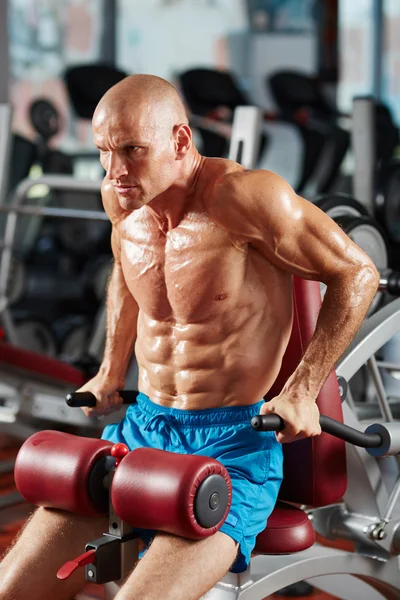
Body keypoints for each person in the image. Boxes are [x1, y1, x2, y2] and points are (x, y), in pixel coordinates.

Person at [0, 74, 379, 600]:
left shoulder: (246, 198)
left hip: (233, 443)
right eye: (105, 152)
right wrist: (111, 369)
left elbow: (356, 273)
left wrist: (301, 389)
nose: (116, 171)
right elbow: (125, 273)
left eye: (132, 150)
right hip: (142, 429)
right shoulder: (122, 197)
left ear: (180, 140)